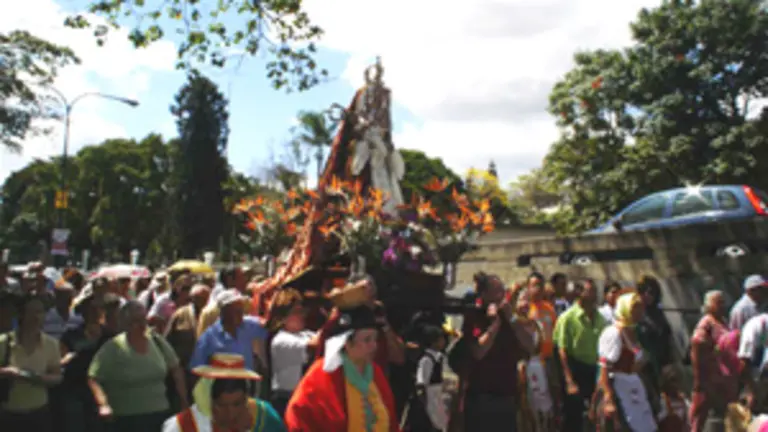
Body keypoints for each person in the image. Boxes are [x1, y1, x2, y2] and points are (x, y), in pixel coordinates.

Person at [284, 305, 400, 432]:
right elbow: (299, 416)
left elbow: (391, 421)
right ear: (347, 344)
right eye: (367, 340)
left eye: (375, 339)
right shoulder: (322, 373)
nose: (374, 346)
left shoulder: (375, 373)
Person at [88, 300, 189, 432]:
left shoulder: (157, 341)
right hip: (126, 419)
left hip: (159, 414)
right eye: (136, 321)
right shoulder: (114, 347)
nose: (141, 325)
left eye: (143, 320)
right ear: (125, 323)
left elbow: (176, 369)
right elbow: (93, 377)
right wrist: (103, 404)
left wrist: (183, 400)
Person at [457, 272, 533, 432]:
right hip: (481, 397)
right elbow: (478, 351)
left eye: (503, 290)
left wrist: (511, 318)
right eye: (497, 291)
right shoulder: (474, 316)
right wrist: (495, 324)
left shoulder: (510, 318)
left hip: (507, 395)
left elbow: (530, 345)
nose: (502, 295)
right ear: (484, 295)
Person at [162, 353, 285, 432]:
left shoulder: (262, 417)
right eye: (221, 405)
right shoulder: (180, 427)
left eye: (237, 404)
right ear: (208, 400)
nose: (230, 413)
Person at [593, 292, 657, 432]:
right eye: (635, 308)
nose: (640, 312)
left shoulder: (633, 331)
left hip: (634, 386)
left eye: (640, 308)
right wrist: (608, 399)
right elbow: (604, 367)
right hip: (618, 387)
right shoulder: (613, 333)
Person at [553, 279, 606, 432]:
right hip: (575, 369)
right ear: (579, 293)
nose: (594, 294)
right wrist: (569, 380)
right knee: (573, 417)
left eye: (595, 291)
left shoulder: (600, 318)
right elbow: (562, 350)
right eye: (590, 291)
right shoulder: (567, 318)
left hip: (594, 369)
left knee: (595, 414)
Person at [268, 289, 318, 417]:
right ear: (282, 317)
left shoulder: (307, 334)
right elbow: (313, 346)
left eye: (302, 311)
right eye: (296, 312)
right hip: (286, 400)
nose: (302, 315)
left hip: (305, 398)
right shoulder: (280, 340)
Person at [690, 290, 734, 431]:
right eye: (718, 302)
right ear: (709, 305)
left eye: (723, 302)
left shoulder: (723, 321)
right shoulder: (706, 324)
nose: (722, 305)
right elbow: (697, 346)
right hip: (708, 378)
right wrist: (699, 380)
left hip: (723, 378)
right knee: (699, 417)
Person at [406, 324, 448, 432]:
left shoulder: (439, 359)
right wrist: (424, 407)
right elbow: (421, 384)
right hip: (429, 402)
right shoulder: (426, 360)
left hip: (437, 401)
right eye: (441, 339)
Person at [657, 365, 689, 431]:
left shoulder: (683, 400)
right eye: (672, 380)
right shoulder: (663, 400)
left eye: (677, 381)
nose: (675, 384)